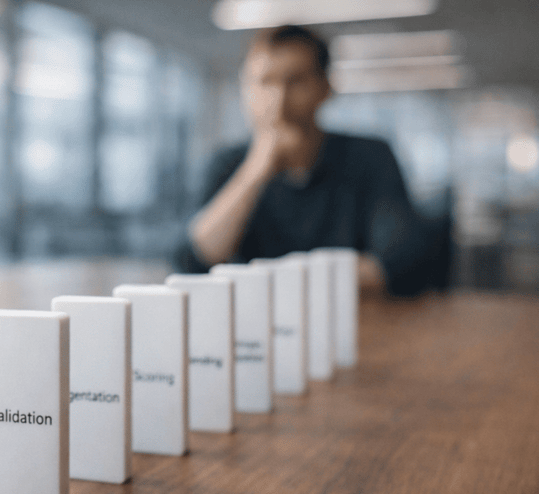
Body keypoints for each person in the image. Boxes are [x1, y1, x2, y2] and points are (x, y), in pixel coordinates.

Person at [176, 25, 432, 296]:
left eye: (295, 81)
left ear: (325, 88)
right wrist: (255, 172)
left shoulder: (371, 157)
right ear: (244, 88)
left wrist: (266, 281)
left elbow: (401, 264)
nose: (279, 101)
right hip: (251, 326)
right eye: (264, 82)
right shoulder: (226, 164)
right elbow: (192, 262)